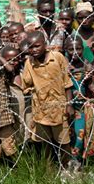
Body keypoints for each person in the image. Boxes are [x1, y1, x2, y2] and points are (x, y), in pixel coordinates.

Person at [21, 31, 73, 164]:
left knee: (63, 141)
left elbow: (67, 82)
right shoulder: (29, 63)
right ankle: (48, 169)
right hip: (41, 110)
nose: (33, 50)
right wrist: (33, 90)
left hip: (59, 108)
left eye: (37, 46)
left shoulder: (57, 58)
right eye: (30, 47)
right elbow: (26, 84)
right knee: (45, 142)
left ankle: (67, 167)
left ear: (45, 44)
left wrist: (69, 104)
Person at [63, 36, 89, 162]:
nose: (75, 52)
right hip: (66, 106)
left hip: (81, 108)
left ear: (82, 49)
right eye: (71, 49)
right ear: (66, 49)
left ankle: (77, 161)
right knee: (68, 135)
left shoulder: (87, 64)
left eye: (78, 49)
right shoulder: (64, 65)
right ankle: (67, 161)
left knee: (80, 134)